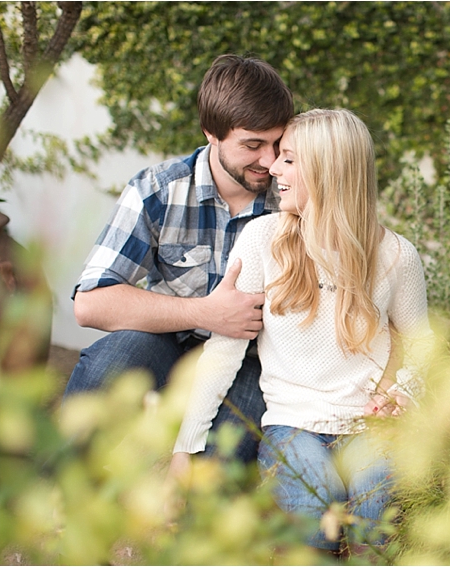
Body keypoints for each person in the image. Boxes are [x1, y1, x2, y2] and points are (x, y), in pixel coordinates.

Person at [169, 109, 433, 554]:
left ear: (329, 171)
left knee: (374, 519)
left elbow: (423, 344)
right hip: (294, 425)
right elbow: (223, 352)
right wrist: (184, 449)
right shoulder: (262, 240)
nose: (272, 167)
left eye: (289, 159)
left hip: (371, 427)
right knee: (315, 514)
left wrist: (404, 391)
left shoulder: (396, 256)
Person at [64, 54, 293, 463]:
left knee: (221, 461)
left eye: (278, 144)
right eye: (252, 145)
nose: (270, 161)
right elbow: (90, 302)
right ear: (212, 134)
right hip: (166, 345)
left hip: (247, 361)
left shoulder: (293, 200)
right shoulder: (158, 190)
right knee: (112, 362)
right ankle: (46, 490)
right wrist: (206, 312)